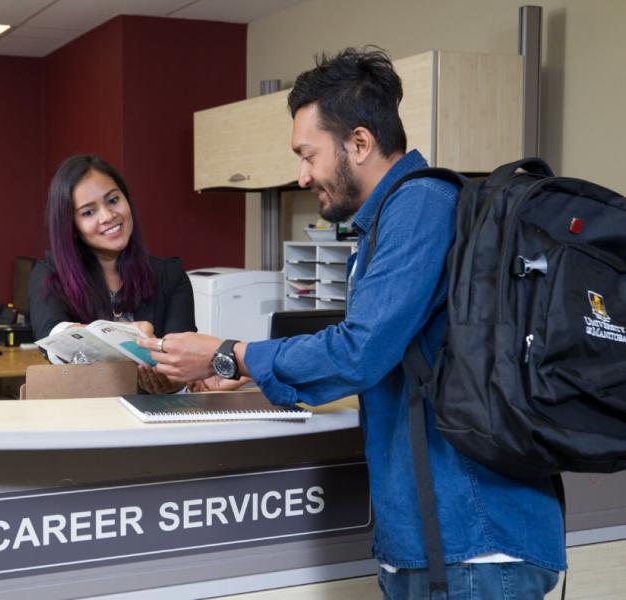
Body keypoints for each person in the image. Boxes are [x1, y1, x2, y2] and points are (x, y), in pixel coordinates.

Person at [139, 48, 565, 598]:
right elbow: (382, 353)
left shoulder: (421, 205)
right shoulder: (392, 218)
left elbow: (359, 351)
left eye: (308, 154)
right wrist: (248, 371)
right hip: (441, 540)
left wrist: (231, 353)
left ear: (359, 143)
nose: (301, 176)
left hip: (472, 540)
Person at [30, 154, 196, 394]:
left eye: (113, 200)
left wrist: (172, 384)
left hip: (156, 418)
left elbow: (183, 359)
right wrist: (126, 336)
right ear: (71, 226)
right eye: (88, 212)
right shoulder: (49, 275)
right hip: (84, 415)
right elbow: (52, 337)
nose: (107, 216)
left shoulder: (170, 275)